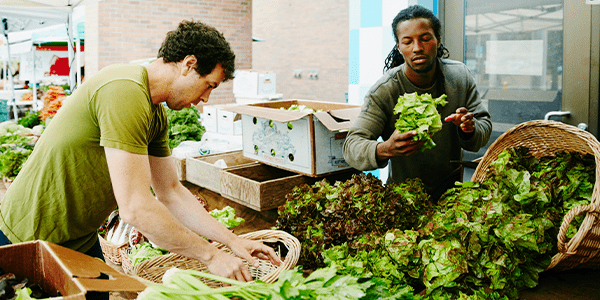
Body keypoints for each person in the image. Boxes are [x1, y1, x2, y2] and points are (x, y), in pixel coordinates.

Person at [0, 20, 281, 287]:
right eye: (209, 85)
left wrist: (232, 242)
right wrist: (211, 256)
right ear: (189, 64)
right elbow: (135, 207)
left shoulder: (156, 114)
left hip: (79, 239)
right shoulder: (124, 90)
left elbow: (170, 191)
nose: (205, 99)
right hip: (28, 237)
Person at [343, 5, 492, 201]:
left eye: (425, 38)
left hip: (453, 196)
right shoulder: (385, 90)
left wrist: (469, 129)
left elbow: (484, 128)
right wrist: (385, 148)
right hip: (404, 200)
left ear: (438, 40)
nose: (417, 48)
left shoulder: (459, 77)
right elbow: (351, 147)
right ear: (398, 47)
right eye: (407, 41)